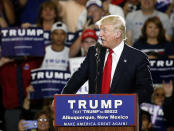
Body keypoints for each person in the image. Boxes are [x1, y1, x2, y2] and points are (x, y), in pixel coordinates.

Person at [62, 15, 153, 105]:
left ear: (117, 33)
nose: (100, 34)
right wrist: (62, 99)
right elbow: (77, 78)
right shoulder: (94, 52)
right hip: (97, 115)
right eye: (100, 30)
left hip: (123, 116)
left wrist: (123, 103)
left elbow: (145, 90)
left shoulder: (138, 58)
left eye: (104, 30)